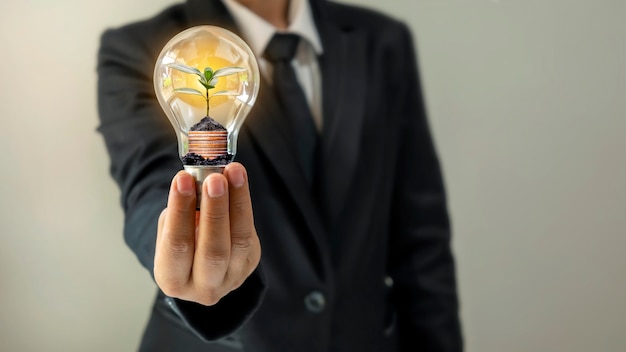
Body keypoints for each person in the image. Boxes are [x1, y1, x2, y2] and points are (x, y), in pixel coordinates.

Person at [97, 0, 463, 350]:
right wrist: (181, 255)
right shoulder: (141, 49)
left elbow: (420, 235)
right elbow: (149, 183)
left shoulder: (382, 41)